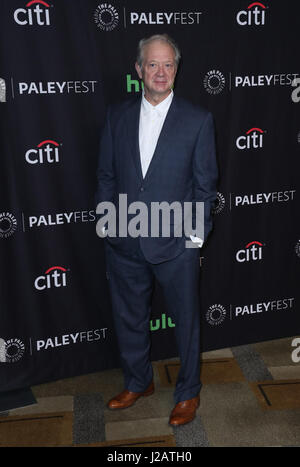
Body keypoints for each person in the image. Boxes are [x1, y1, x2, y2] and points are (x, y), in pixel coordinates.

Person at [95, 34, 218, 426]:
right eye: (153, 64)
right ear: (138, 70)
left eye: (168, 65)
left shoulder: (199, 120)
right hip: (125, 240)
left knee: (186, 324)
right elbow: (106, 176)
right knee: (128, 317)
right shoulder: (116, 116)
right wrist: (109, 225)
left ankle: (188, 393)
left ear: (176, 70)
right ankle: (138, 381)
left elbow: (204, 187)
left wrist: (193, 242)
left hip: (176, 246)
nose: (161, 72)